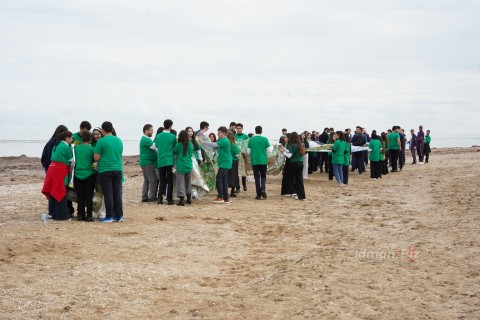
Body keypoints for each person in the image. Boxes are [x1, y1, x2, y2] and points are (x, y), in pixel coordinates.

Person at [94, 121, 124, 222]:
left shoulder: (101, 141)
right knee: (117, 193)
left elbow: (96, 157)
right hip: (118, 169)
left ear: (103, 130)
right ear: (112, 129)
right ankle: (119, 216)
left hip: (105, 170)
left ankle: (109, 216)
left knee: (108, 193)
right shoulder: (119, 140)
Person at [41, 130, 74, 220]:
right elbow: (71, 160)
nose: (72, 139)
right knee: (61, 192)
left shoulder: (56, 145)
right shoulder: (65, 147)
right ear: (67, 138)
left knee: (53, 191)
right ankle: (62, 216)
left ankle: (53, 213)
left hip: (52, 169)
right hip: (60, 171)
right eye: (71, 138)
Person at [73, 131, 96, 222]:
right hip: (89, 174)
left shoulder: (76, 148)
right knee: (89, 196)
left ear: (82, 139)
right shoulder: (92, 149)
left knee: (80, 196)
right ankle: (89, 215)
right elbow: (94, 161)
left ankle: (80, 215)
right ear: (90, 139)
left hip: (78, 174)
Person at [247, 126, 273, 200]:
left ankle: (258, 195)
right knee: (263, 176)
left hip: (254, 161)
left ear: (255, 131)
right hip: (263, 160)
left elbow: (248, 152)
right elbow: (269, 150)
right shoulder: (265, 139)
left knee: (257, 177)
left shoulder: (251, 140)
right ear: (261, 131)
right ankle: (263, 189)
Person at [155, 119, 177, 205]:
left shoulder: (159, 136)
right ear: (171, 126)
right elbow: (175, 149)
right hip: (169, 160)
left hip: (160, 160)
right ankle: (169, 199)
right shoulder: (173, 137)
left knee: (162, 180)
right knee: (170, 180)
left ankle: (159, 198)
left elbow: (156, 147)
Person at [280, 132, 306, 200]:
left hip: (294, 164)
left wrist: (282, 151)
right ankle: (302, 196)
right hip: (300, 163)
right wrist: (284, 149)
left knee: (288, 178)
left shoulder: (293, 145)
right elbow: (289, 151)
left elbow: (289, 155)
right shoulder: (299, 145)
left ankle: (294, 192)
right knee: (299, 180)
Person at [174, 130, 194, 206]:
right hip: (189, 165)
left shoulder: (178, 145)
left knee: (180, 183)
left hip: (181, 165)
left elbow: (175, 153)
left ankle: (182, 200)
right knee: (188, 182)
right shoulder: (190, 145)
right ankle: (189, 198)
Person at [213, 127, 232, 203]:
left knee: (219, 179)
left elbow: (213, 145)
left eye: (219, 133)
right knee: (224, 180)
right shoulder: (222, 140)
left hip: (225, 163)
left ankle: (220, 196)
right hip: (224, 163)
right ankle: (225, 197)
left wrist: (203, 142)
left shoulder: (224, 140)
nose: (218, 134)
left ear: (224, 133)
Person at [139, 124, 158, 202]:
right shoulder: (146, 139)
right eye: (151, 130)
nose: (152, 132)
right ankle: (151, 196)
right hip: (147, 162)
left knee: (147, 180)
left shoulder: (145, 139)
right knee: (153, 179)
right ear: (146, 131)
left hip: (145, 161)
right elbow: (156, 148)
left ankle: (144, 196)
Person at [235, 123, 249, 192]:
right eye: (237, 128)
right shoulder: (234, 136)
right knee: (236, 172)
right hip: (236, 156)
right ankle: (237, 187)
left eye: (240, 128)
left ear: (242, 129)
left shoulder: (245, 136)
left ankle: (244, 184)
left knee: (243, 171)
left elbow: (248, 145)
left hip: (243, 156)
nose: (238, 129)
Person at [227, 131, 240, 198]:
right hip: (234, 162)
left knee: (227, 176)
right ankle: (232, 192)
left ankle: (225, 191)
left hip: (227, 162)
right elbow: (237, 154)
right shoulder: (233, 145)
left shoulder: (226, 144)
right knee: (234, 176)